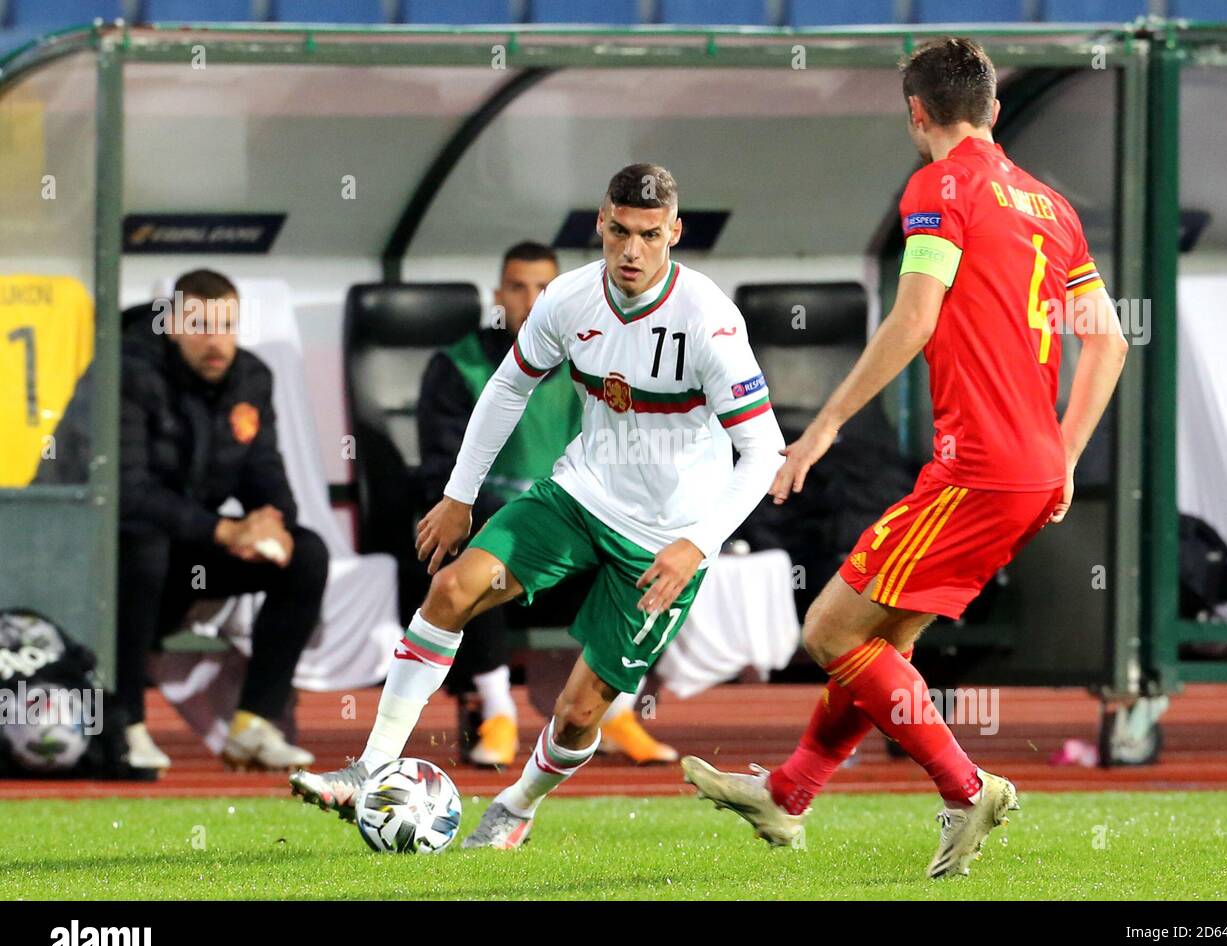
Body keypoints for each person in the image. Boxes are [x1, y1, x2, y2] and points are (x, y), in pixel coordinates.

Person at [682, 37, 1129, 879]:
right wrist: (1065, 455)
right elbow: (1107, 344)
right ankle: (791, 792)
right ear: (995, 110)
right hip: (1029, 471)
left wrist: (822, 428)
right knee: (884, 639)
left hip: (979, 467)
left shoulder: (939, 188)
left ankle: (966, 788)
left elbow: (914, 317)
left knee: (829, 630)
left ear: (916, 113)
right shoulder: (1051, 207)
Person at [291, 163, 785, 847]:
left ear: (674, 232)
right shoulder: (569, 299)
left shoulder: (709, 323)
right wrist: (459, 495)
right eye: (619, 231)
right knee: (453, 585)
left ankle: (518, 804)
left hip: (666, 539)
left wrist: (696, 545)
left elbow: (764, 450)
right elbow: (506, 389)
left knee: (580, 712)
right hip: (580, 498)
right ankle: (369, 768)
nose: (632, 250)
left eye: (648, 235)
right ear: (600, 225)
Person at [416, 241, 678, 767]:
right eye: (517, 287)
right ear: (498, 295)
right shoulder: (458, 366)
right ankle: (496, 712)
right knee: (483, 541)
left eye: (543, 288)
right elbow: (441, 470)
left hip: (584, 532)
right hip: (510, 530)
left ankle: (617, 709)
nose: (531, 300)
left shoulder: (597, 358)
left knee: (664, 548)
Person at [117, 269, 328, 773]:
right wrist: (223, 531)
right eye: (200, 325)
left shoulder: (251, 378)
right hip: (121, 559)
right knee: (143, 545)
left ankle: (253, 724)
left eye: (226, 324)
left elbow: (265, 471)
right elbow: (130, 493)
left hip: (196, 554)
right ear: (171, 325)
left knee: (306, 553)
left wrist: (273, 523)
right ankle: (125, 724)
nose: (216, 340)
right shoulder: (130, 373)